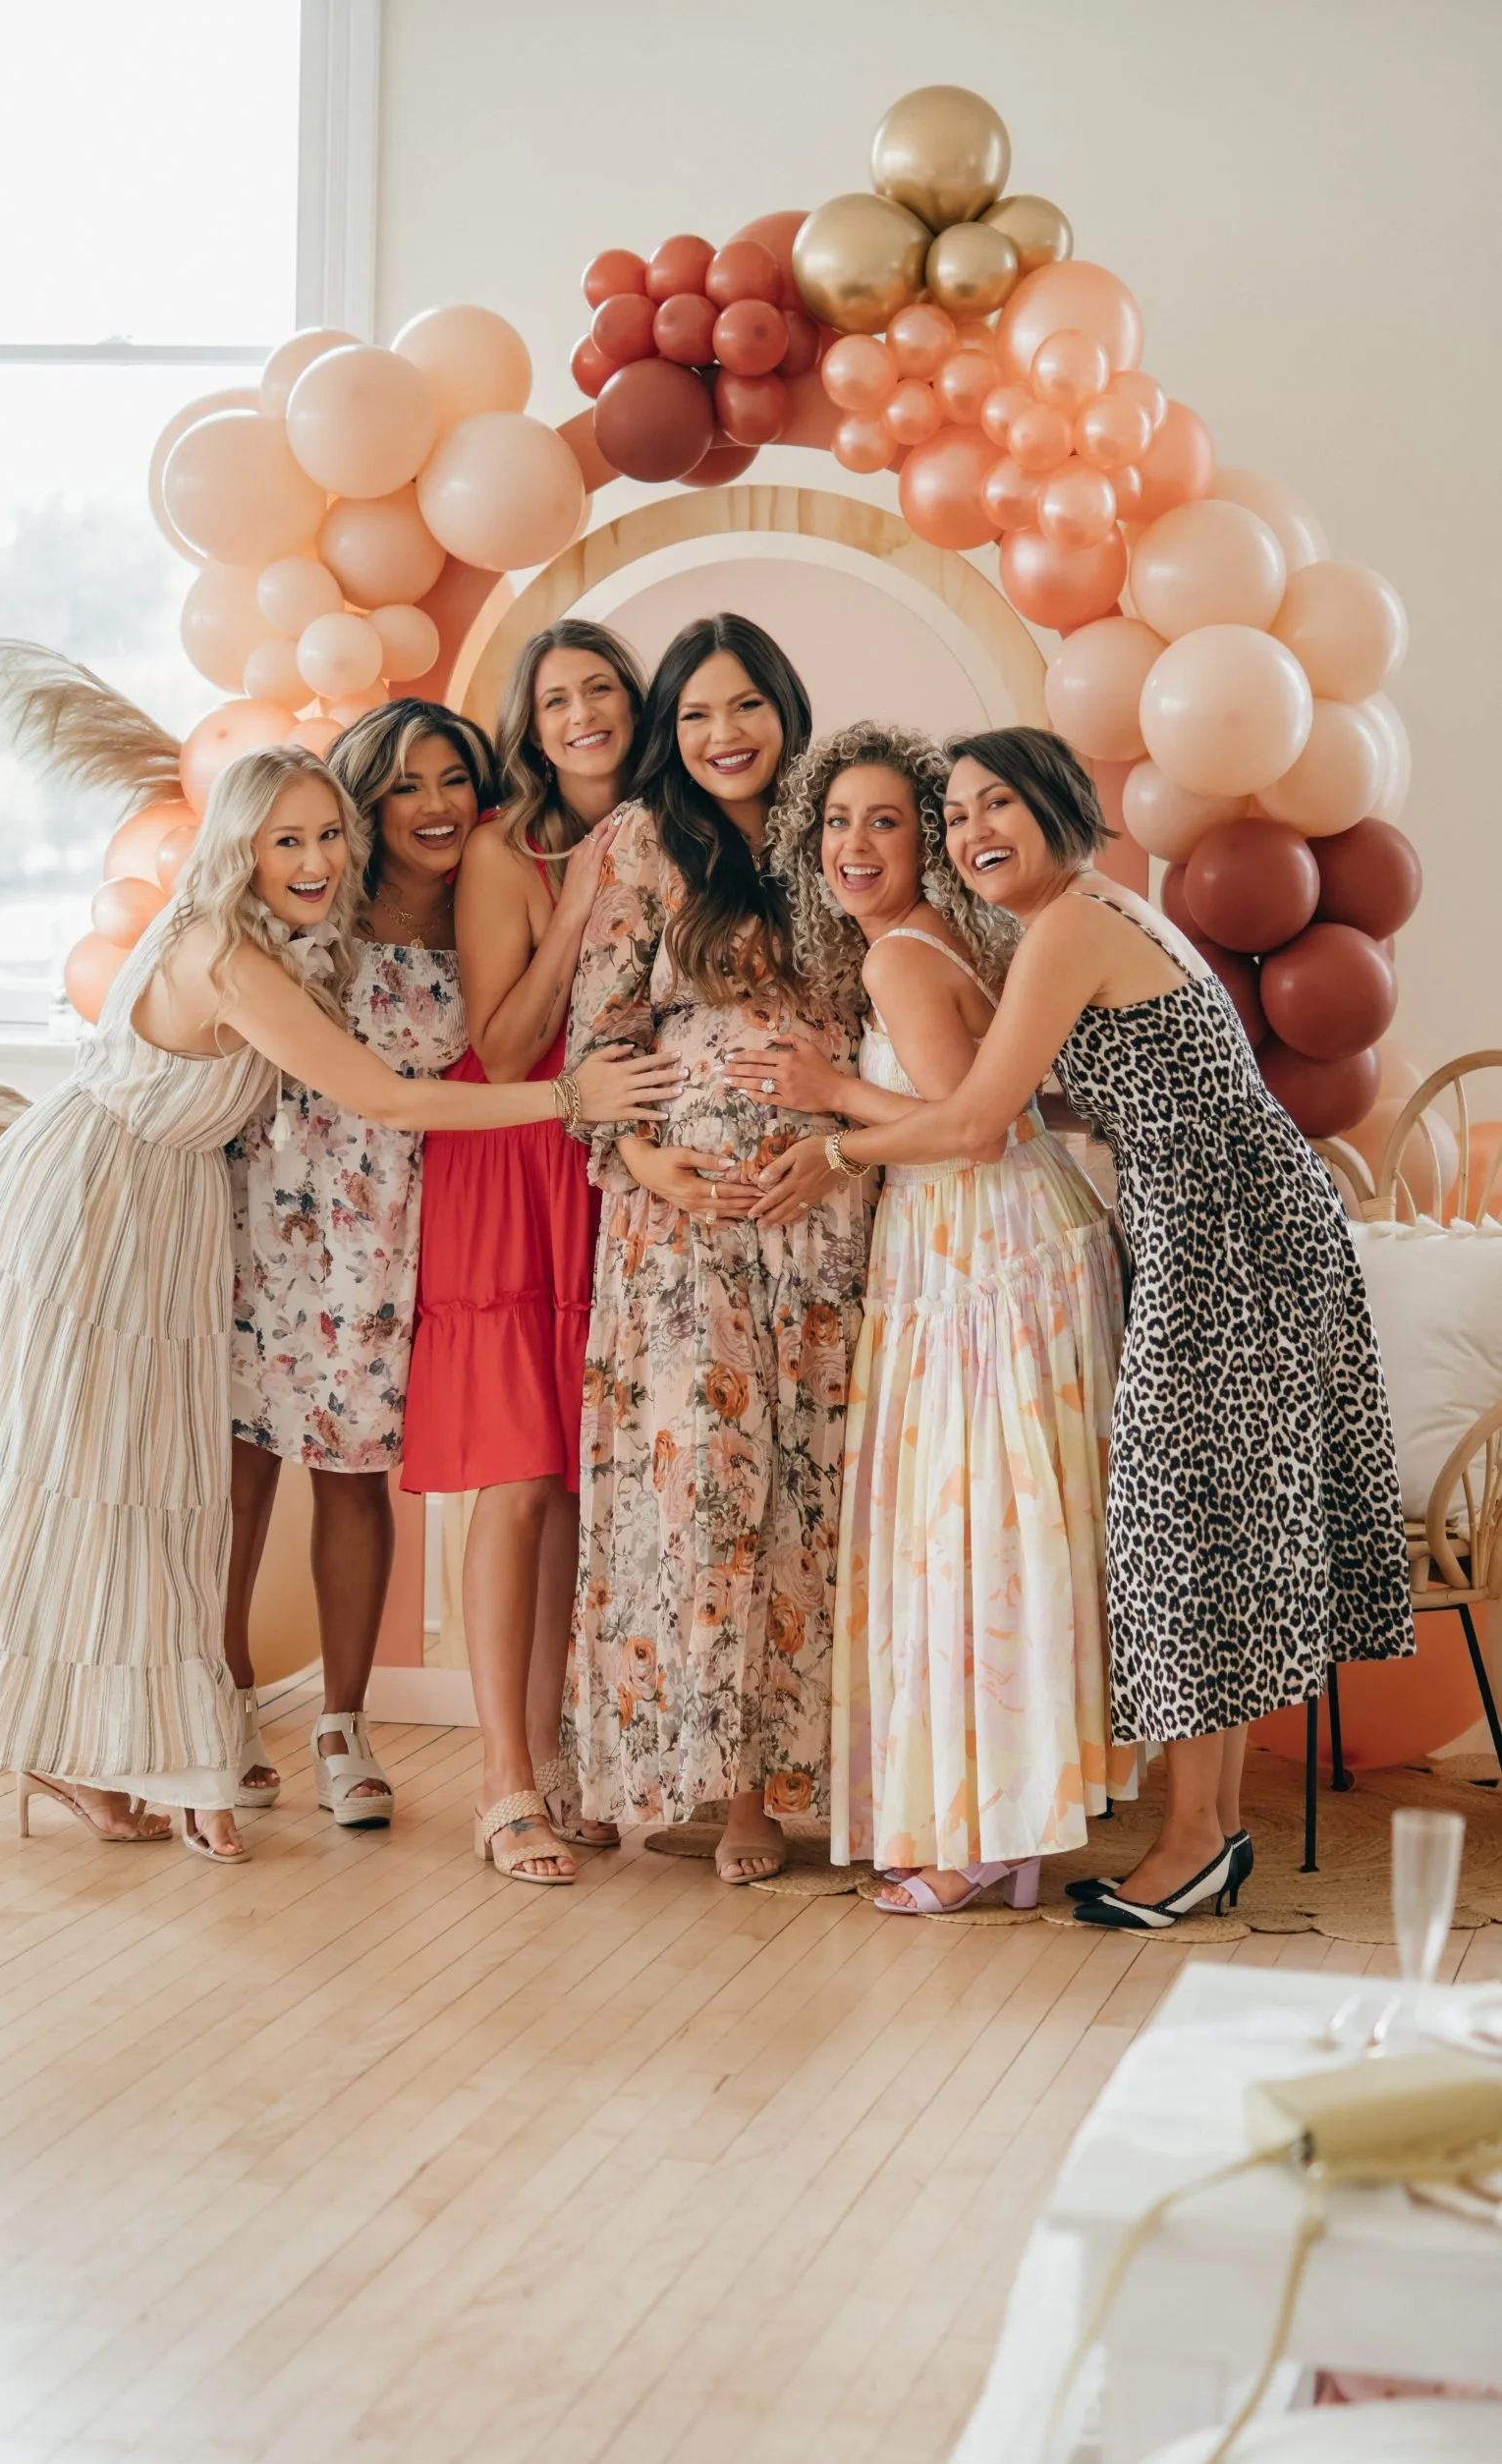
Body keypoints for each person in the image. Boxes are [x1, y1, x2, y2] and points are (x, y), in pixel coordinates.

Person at [0, 747, 679, 1866]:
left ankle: (88, 1749)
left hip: (156, 1199)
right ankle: (131, 1752)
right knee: (91, 1483)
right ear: (241, 848)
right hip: (91, 1201)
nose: (314, 860)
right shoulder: (227, 953)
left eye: (326, 836)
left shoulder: (276, 938)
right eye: (287, 839)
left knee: (126, 1486)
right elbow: (381, 1092)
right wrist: (567, 1095)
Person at [752, 728, 1414, 1929]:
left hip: (1232, 1232)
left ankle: (1200, 1838)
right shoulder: (1083, 918)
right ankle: (1202, 1834)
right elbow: (1044, 1095)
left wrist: (835, 1124)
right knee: (1189, 1526)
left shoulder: (1069, 924)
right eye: (954, 814)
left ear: (1062, 809)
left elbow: (971, 1131)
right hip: (1216, 1219)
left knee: (1186, 1525)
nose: (970, 833)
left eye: (994, 804)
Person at [727, 725, 1134, 1917]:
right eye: (837, 822)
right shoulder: (940, 940)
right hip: (995, 1246)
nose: (856, 845)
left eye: (887, 822)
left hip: (979, 1258)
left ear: (925, 844)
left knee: (973, 1536)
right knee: (995, 1529)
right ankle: (1002, 1821)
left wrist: (831, 1106)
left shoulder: (901, 957)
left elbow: (974, 1126)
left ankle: (984, 1833)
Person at [564, 613, 868, 1885]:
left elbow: (892, 1004)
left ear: (782, 711)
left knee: (805, 1497)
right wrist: (645, 1164)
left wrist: (839, 1143)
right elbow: (595, 1043)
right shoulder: (642, 843)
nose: (720, 734)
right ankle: (696, 1782)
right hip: (674, 1239)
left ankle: (783, 1792)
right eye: (693, 714)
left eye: (741, 707)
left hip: (818, 1219)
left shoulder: (838, 832)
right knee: (697, 1502)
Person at [402, 622, 647, 1885]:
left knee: (569, 1481)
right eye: (556, 698)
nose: (582, 713)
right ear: (530, 722)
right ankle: (501, 1783)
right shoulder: (506, 848)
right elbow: (501, 1050)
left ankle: (555, 1757)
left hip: (607, 1171)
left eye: (601, 687)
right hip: (510, 1157)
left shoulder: (672, 823)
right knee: (512, 1477)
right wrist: (583, 900)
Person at [224, 702, 489, 1829]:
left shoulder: (489, 908)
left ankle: (341, 1719)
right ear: (365, 801)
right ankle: (222, 1699)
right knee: (237, 1467)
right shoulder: (314, 902)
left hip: (393, 1226)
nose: (433, 805)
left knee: (352, 1473)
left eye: (453, 779)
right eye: (404, 785)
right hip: (269, 1210)